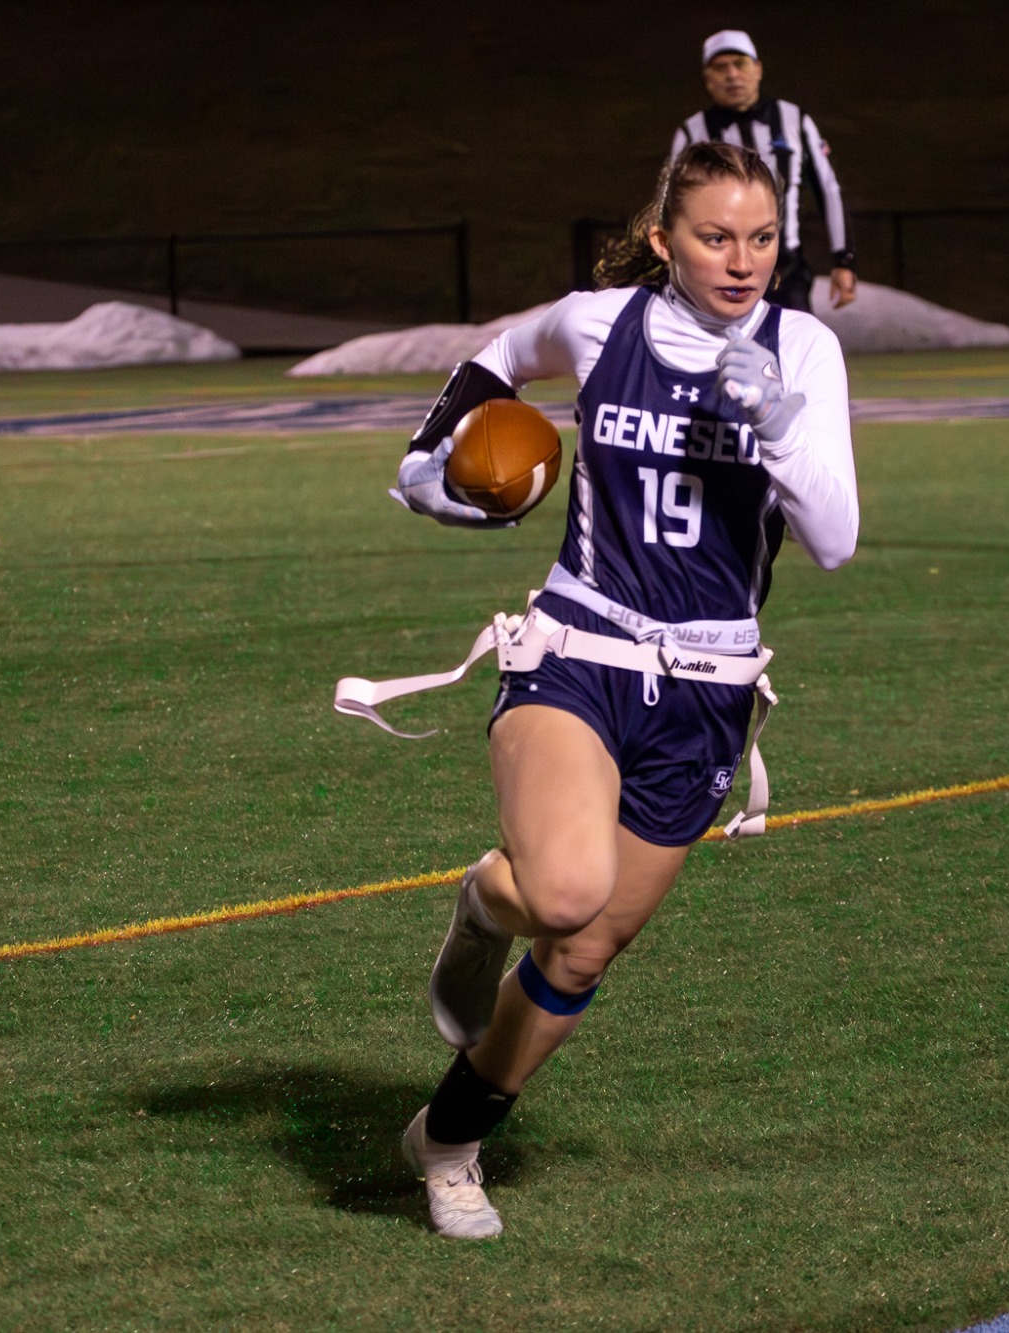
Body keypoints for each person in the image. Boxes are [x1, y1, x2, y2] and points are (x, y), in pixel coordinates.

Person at [352, 142, 858, 1239]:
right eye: (715, 237)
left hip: (708, 687)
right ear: (666, 239)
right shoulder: (602, 323)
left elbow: (835, 539)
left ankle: (446, 1139)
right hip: (581, 647)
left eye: (761, 238)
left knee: (580, 948)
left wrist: (770, 421)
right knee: (570, 891)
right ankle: (497, 903)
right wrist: (430, 462)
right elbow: (502, 351)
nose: (741, 261)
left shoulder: (801, 345)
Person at [668, 29, 858, 314]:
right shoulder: (692, 132)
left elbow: (828, 189)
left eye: (740, 64)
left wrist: (844, 261)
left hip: (787, 267)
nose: (732, 74)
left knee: (794, 350)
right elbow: (671, 205)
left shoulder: (794, 119)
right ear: (708, 78)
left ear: (757, 69)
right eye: (721, 68)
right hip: (719, 268)